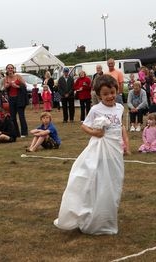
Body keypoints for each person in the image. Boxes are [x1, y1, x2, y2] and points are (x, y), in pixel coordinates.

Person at [54, 74, 129, 235]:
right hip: (100, 148)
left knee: (114, 182)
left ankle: (107, 214)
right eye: (105, 94)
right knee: (100, 181)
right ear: (98, 95)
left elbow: (120, 126)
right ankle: (91, 212)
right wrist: (95, 133)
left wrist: (125, 144)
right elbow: (84, 126)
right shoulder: (95, 109)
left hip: (115, 151)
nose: (110, 96)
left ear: (117, 90)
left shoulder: (120, 108)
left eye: (112, 92)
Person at [3, 64, 29, 137]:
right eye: (8, 68)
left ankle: (24, 133)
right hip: (11, 99)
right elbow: (4, 87)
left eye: (11, 68)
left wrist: (17, 86)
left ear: (13, 69)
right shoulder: (6, 78)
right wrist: (8, 85)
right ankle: (16, 133)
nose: (10, 69)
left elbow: (25, 86)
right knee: (13, 117)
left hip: (19, 98)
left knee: (21, 116)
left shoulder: (18, 76)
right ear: (7, 69)